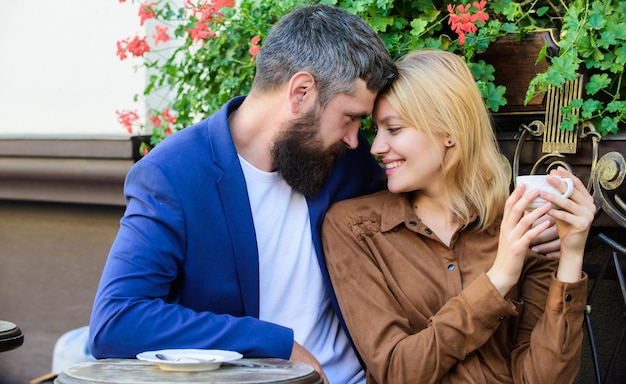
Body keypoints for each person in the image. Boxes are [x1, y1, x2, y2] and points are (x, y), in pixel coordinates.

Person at [88, 4, 396, 384]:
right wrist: (272, 342)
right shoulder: (173, 174)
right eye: (350, 117)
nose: (356, 139)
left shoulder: (348, 161)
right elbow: (117, 320)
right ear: (301, 92)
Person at [321, 50, 596, 384]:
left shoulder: (516, 228)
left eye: (393, 129)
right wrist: (498, 280)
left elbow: (542, 378)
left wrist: (571, 252)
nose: (376, 147)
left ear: (448, 131)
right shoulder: (354, 228)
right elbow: (396, 371)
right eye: (376, 130)